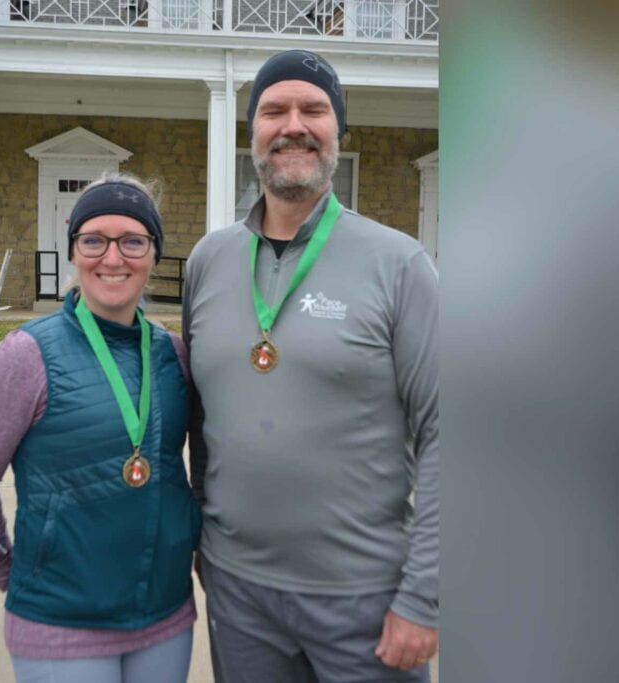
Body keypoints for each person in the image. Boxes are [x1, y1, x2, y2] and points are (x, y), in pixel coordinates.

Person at [183, 49, 439, 682]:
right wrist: (203, 551)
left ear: (338, 131)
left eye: (313, 109)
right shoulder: (207, 262)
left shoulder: (399, 265)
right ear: (252, 134)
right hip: (240, 594)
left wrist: (426, 595)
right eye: (273, 110)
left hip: (366, 600)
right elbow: (198, 422)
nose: (292, 124)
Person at [0, 173, 201, 683]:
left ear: (154, 254)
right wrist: (16, 575)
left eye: (133, 241)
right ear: (74, 250)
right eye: (94, 240)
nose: (113, 258)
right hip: (60, 625)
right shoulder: (26, 354)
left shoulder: (174, 355)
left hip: (164, 616)